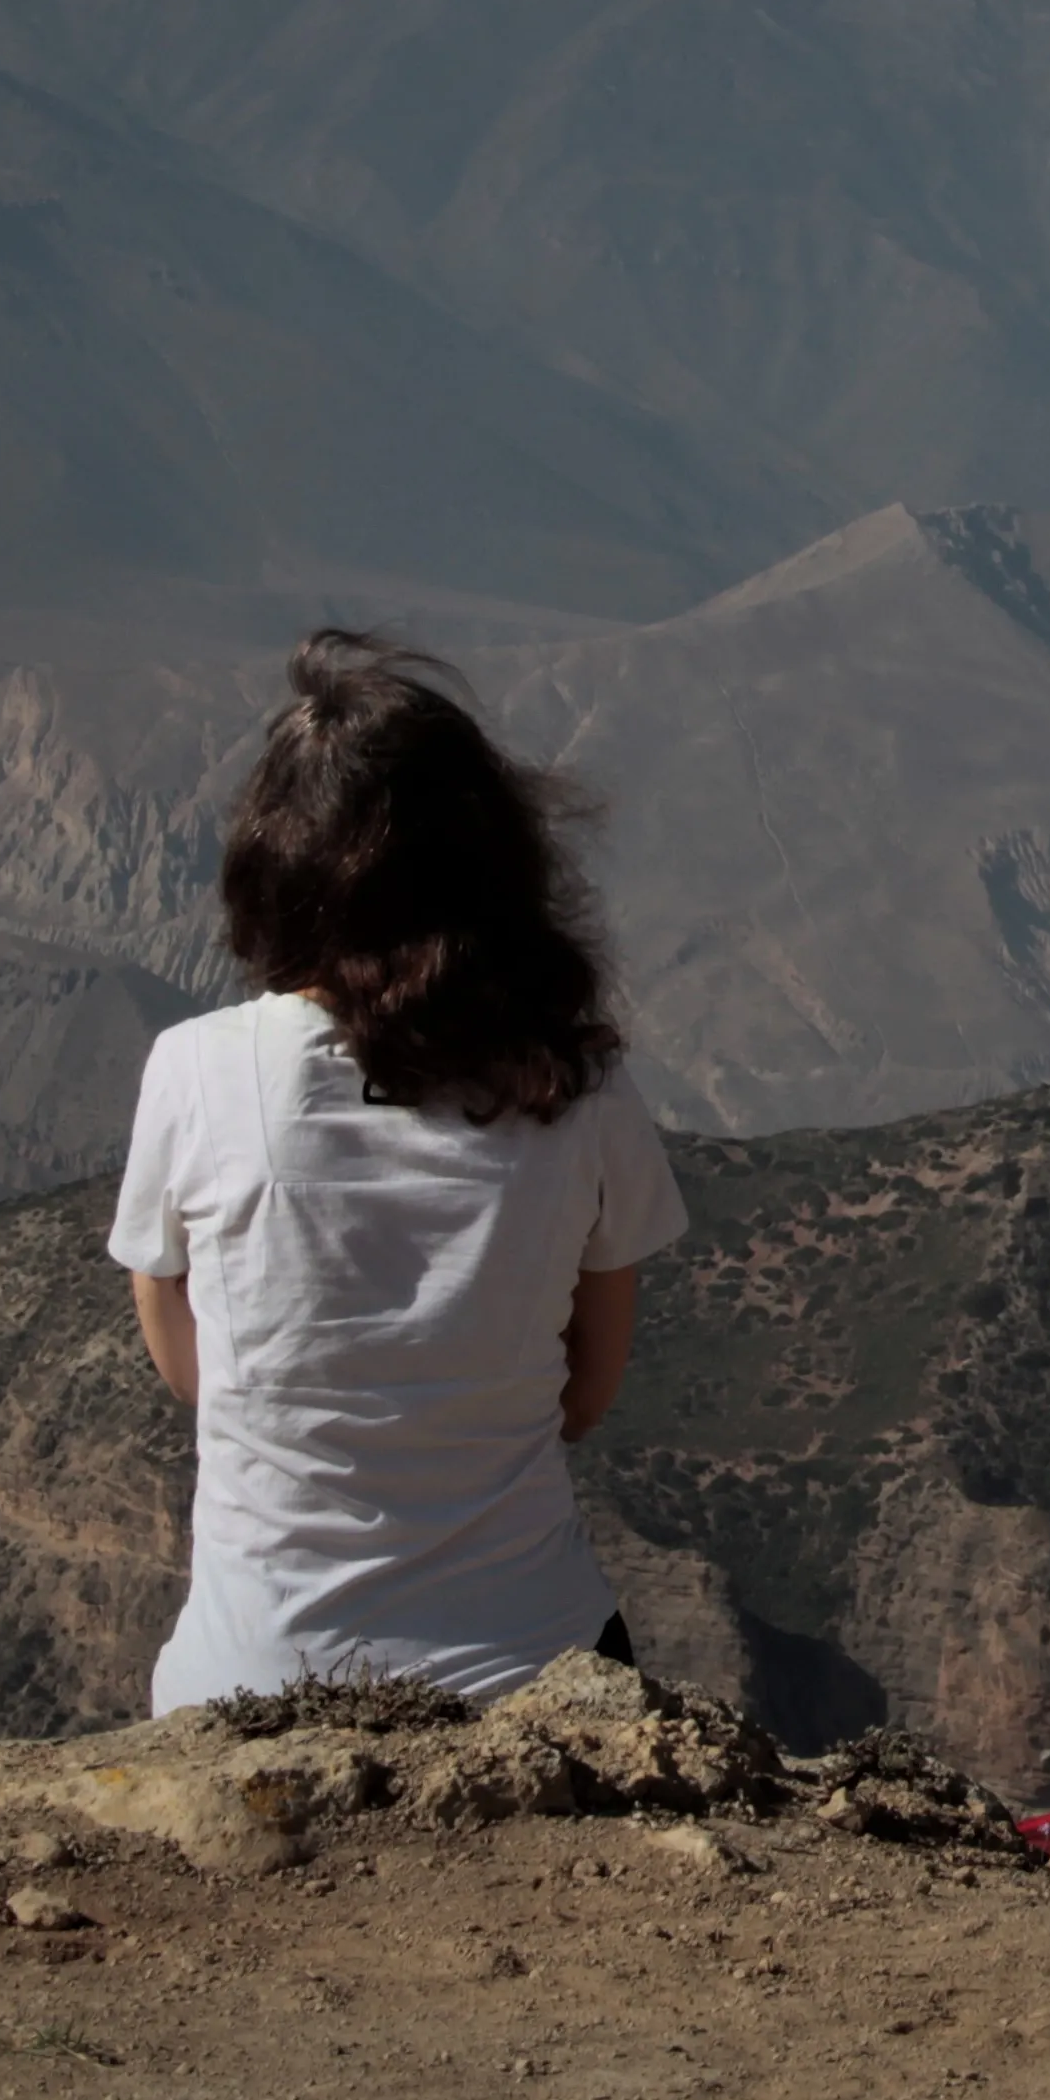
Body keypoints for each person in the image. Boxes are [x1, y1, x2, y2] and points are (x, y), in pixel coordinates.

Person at [111, 632, 682, 1711]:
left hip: (249, 1683)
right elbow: (584, 1397)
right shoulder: (580, 1087)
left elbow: (197, 1375)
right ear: (495, 871)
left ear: (274, 869)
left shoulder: (192, 1071)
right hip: (532, 1673)